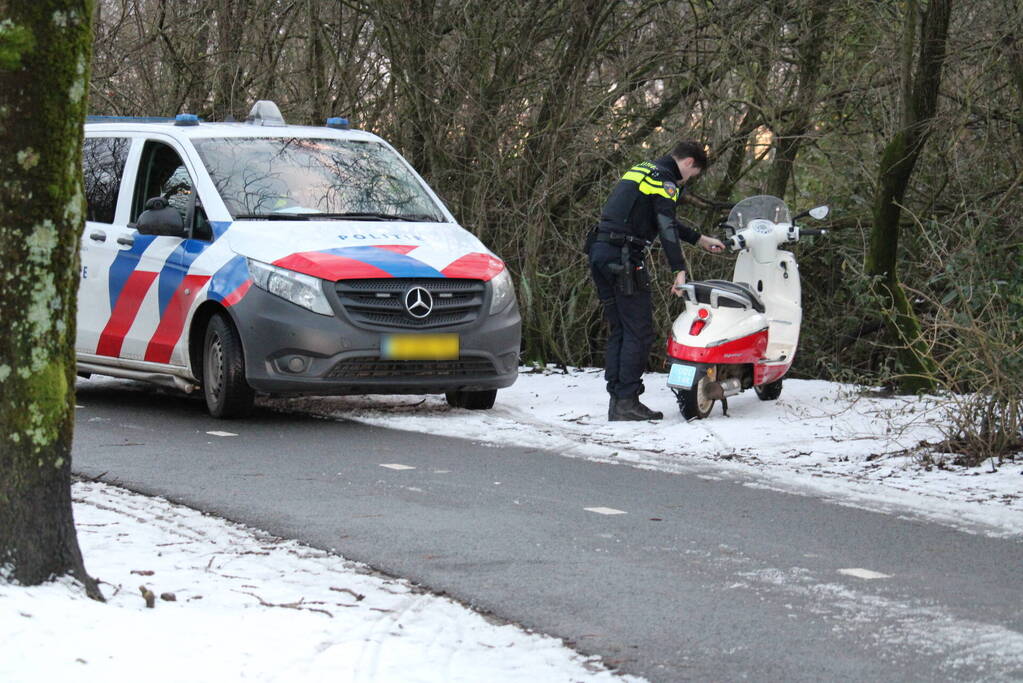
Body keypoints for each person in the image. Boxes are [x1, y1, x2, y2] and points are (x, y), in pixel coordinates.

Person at [588, 141, 725, 421]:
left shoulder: (643, 171)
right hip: (624, 260)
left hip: (601, 252)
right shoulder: (665, 181)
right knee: (638, 331)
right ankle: (626, 401)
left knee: (621, 329)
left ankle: (619, 398)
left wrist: (699, 239)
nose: (688, 180)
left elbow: (663, 220)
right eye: (693, 175)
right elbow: (664, 225)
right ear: (688, 163)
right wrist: (679, 268)